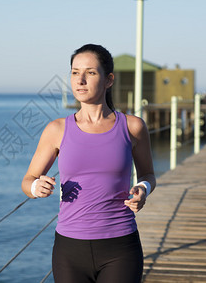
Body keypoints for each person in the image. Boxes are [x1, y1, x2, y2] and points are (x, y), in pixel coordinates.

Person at [21, 44, 156, 283]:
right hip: (69, 249)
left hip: (121, 246)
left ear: (108, 80)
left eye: (90, 72)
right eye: (74, 72)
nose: (80, 80)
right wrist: (35, 188)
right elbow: (28, 180)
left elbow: (148, 175)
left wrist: (142, 189)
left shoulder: (133, 127)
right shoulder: (57, 129)